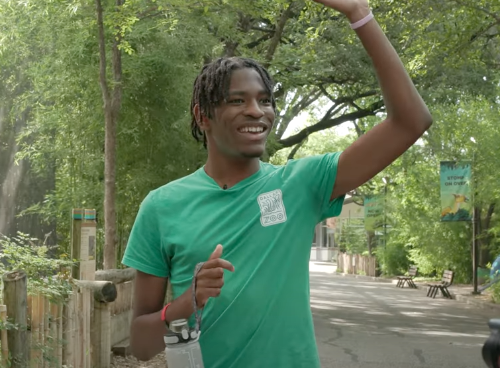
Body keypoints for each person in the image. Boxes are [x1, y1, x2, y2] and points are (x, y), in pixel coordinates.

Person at [122, 0, 432, 366]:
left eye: (265, 100)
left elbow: (410, 122)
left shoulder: (301, 185)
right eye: (237, 100)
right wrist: (186, 302)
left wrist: (359, 14)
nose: (257, 110)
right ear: (202, 116)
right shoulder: (162, 206)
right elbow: (141, 345)